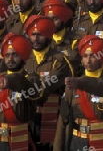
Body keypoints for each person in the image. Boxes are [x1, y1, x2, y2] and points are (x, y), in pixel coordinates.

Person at [57, 35, 103, 151]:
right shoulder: (72, 86)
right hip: (78, 142)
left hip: (102, 141)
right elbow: (63, 122)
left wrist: (82, 83)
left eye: (93, 56)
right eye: (85, 56)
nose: (88, 61)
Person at [24, 15, 72, 150]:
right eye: (33, 34)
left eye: (40, 35)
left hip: (51, 118)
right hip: (27, 118)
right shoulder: (23, 57)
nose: (35, 39)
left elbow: (49, 84)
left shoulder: (60, 60)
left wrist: (26, 82)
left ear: (49, 36)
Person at [0, 33, 39, 151]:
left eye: (15, 55)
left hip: (20, 141)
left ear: (23, 56)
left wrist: (8, 80)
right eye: (7, 55)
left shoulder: (32, 79)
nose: (10, 59)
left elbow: (22, 82)